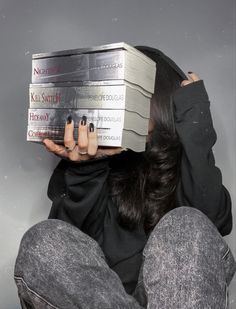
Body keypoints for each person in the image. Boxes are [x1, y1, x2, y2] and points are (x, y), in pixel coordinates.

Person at [14, 46, 236, 309]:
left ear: (162, 103)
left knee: (188, 225)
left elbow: (211, 224)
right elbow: (65, 258)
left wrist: (196, 128)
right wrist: (86, 169)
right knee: (43, 239)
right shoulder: (101, 169)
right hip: (103, 298)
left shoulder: (184, 171)